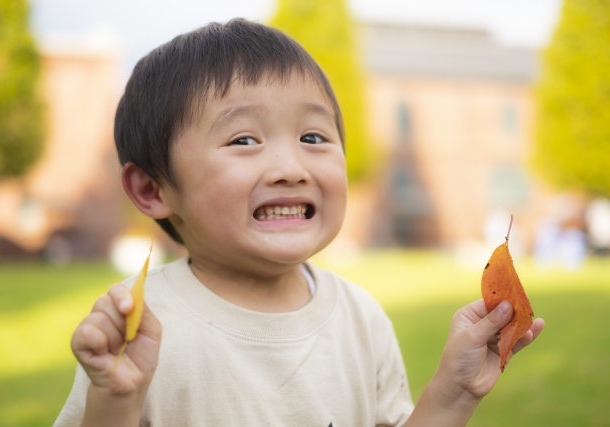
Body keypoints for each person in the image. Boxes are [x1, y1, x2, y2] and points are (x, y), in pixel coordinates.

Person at [54, 19, 544, 427]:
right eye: (244, 140)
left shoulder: (360, 318)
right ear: (152, 189)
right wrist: (115, 400)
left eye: (313, 136)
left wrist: (455, 393)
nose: (292, 166)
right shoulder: (139, 332)